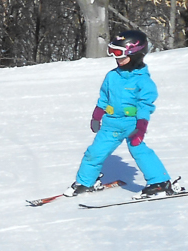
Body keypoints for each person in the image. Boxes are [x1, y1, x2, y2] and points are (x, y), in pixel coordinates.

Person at [66, 30, 178, 199]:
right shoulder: (112, 76)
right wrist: (97, 114)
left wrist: (141, 127)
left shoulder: (143, 81)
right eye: (115, 56)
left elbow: (145, 105)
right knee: (94, 152)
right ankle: (85, 182)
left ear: (135, 55)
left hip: (132, 124)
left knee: (140, 151)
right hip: (110, 123)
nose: (117, 60)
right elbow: (104, 97)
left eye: (120, 56)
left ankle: (160, 183)